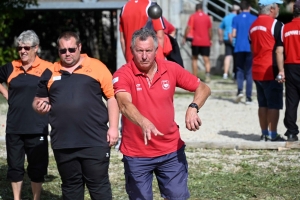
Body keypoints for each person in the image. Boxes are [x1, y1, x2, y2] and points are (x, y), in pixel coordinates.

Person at [112, 28, 211, 200]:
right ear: (131, 51)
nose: (144, 56)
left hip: (171, 150)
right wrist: (143, 122)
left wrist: (193, 107)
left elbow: (204, 88)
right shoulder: (123, 74)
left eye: (148, 51)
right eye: (139, 51)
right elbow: (124, 104)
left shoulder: (171, 68)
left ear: (156, 51)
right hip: (137, 154)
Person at [32, 31, 119, 199]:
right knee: (71, 188)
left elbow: (111, 97)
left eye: (71, 49)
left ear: (79, 47)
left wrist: (114, 128)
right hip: (63, 142)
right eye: (63, 50)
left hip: (94, 140)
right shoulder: (50, 71)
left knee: (99, 188)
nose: (67, 54)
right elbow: (38, 101)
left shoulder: (97, 66)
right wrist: (39, 107)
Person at [0, 30, 52, 200]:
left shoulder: (48, 68)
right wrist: (8, 95)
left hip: (37, 126)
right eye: (20, 48)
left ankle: (36, 198)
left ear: (36, 48)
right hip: (14, 127)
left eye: (26, 48)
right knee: (15, 167)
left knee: (37, 168)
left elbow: (59, 89)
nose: (22, 51)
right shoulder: (11, 67)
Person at [249, 0, 285, 141]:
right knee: (274, 103)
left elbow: (253, 48)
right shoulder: (277, 24)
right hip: (271, 69)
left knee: (262, 103)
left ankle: (264, 133)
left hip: (256, 69)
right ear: (271, 9)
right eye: (278, 6)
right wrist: (281, 70)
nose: (279, 9)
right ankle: (273, 134)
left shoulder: (253, 25)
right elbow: (278, 51)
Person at [281, 0, 300, 141]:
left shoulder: (285, 28)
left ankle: (292, 132)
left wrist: (281, 69)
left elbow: (280, 50)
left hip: (290, 65)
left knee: (291, 101)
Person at [232, 0, 257, 104]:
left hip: (238, 47)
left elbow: (233, 34)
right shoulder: (255, 18)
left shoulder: (236, 18)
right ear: (250, 7)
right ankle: (249, 97)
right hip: (250, 47)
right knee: (249, 71)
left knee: (239, 70)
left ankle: (239, 91)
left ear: (240, 8)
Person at [182, 3, 212, 82]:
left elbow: (188, 28)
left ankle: (195, 77)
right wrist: (210, 39)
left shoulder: (193, 16)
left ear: (196, 9)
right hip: (206, 41)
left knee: (194, 59)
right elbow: (210, 30)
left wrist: (184, 37)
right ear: (202, 9)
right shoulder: (207, 17)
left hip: (195, 41)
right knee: (206, 59)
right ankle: (208, 75)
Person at [218, 4, 240, 79]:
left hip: (226, 39)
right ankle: (235, 73)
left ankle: (225, 74)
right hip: (235, 39)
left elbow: (220, 28)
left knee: (227, 56)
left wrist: (220, 38)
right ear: (238, 11)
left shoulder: (226, 17)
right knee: (236, 57)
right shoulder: (237, 18)